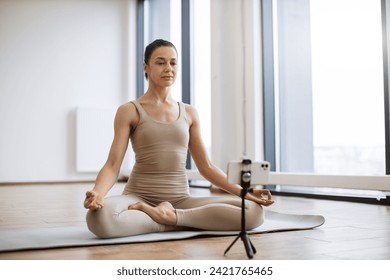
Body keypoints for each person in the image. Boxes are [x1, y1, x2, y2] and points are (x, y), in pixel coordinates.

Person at [84, 39, 274, 238]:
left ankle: (172, 218)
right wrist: (98, 192)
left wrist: (246, 194)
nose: (168, 68)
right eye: (160, 62)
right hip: (139, 197)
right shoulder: (129, 110)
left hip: (180, 199)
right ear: (146, 67)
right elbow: (113, 164)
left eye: (173, 63)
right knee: (99, 219)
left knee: (253, 212)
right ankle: (174, 220)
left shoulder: (189, 112)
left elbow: (207, 167)